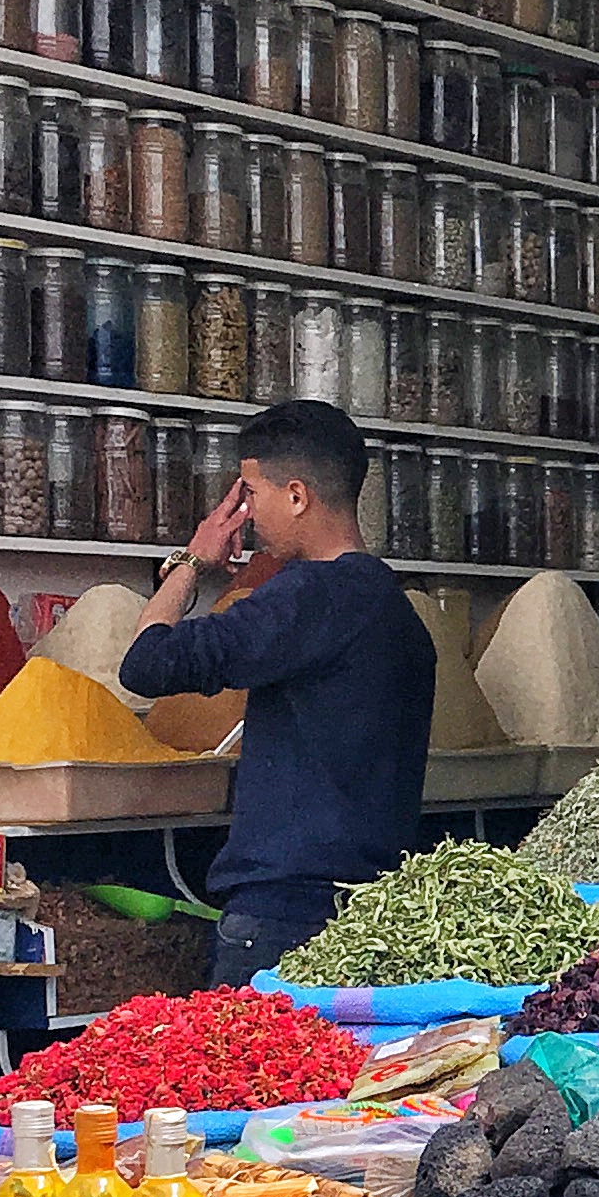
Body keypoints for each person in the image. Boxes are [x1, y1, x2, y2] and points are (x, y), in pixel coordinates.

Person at [122, 402, 435, 984]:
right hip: (373, 915)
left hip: (284, 919)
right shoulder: (398, 612)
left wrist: (193, 560)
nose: (246, 515)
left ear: (297, 495)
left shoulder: (309, 599)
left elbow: (147, 663)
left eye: (251, 495)